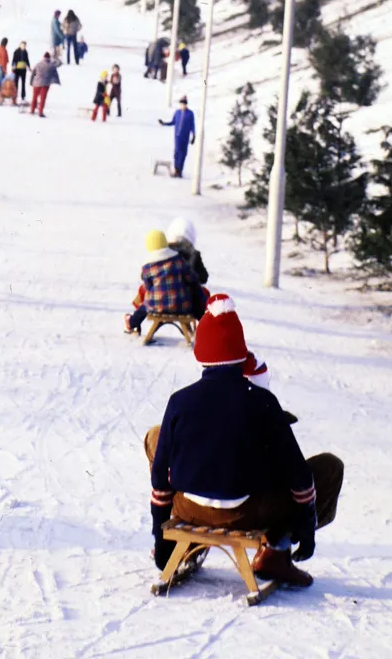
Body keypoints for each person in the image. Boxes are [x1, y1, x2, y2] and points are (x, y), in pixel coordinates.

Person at [145, 293, 344, 587]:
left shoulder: (180, 401)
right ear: (241, 353)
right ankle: (276, 553)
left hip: (188, 508)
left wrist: (160, 535)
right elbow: (299, 475)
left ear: (201, 353)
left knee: (156, 436)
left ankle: (180, 544)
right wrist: (305, 525)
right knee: (329, 466)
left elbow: (160, 477)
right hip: (246, 514)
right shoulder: (263, 402)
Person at [124, 229, 207, 336]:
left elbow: (148, 287)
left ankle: (131, 323)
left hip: (157, 307)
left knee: (145, 304)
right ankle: (206, 324)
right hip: (182, 305)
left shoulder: (147, 267)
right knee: (197, 293)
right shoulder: (178, 260)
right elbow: (191, 278)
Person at [159, 95, 195, 178]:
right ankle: (176, 170)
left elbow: (192, 125)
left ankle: (180, 170)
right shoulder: (177, 112)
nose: (183, 105)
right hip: (177, 136)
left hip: (185, 137)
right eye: (182, 103)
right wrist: (164, 123)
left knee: (183, 154)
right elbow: (173, 122)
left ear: (186, 104)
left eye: (184, 103)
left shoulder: (190, 113)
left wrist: (193, 136)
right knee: (177, 153)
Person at [29, 52, 60, 117]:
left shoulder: (38, 64)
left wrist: (31, 82)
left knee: (34, 97)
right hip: (45, 84)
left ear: (43, 57)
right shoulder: (51, 65)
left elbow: (33, 73)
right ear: (49, 58)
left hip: (36, 83)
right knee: (43, 99)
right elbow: (58, 67)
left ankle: (32, 110)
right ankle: (40, 112)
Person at [0, 37, 10, 101]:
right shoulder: (3, 49)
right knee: (1, 81)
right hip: (2, 66)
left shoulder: (0, 48)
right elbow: (3, 59)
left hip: (0, 65)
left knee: (0, 81)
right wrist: (4, 69)